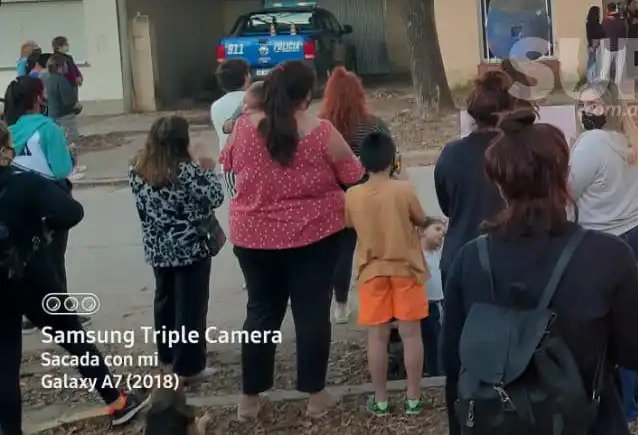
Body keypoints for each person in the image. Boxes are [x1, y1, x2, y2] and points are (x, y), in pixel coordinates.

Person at [441, 108, 638, 435]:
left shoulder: (468, 261)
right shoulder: (608, 257)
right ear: (563, 176)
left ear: (500, 184)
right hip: (588, 421)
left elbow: (453, 362)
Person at [219, 61, 365, 421]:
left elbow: (228, 164)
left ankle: (250, 399)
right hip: (314, 236)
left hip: (253, 237)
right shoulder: (322, 132)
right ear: (307, 94)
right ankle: (315, 396)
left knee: (261, 313)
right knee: (312, 313)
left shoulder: (242, 127)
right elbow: (354, 176)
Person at [0, 122, 150, 433]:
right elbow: (71, 211)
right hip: (33, 276)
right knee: (74, 338)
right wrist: (45, 226)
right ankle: (117, 402)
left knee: (5, 361)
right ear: (4, 150)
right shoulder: (24, 183)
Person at [568, 80, 638, 428]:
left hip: (601, 241)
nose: (587, 111)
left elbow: (568, 192)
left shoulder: (591, 144)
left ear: (610, 107)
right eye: (583, 105)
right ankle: (631, 404)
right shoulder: (630, 138)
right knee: (627, 321)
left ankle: (609, 404)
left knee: (599, 327)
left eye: (594, 105)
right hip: (634, 233)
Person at [129, 115, 224, 384]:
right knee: (190, 308)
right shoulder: (185, 170)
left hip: (158, 246)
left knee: (165, 301)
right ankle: (189, 366)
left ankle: (168, 354)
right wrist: (207, 168)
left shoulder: (137, 167)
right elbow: (214, 197)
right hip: (190, 246)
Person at [343, 130, 429, 415]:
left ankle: (380, 399)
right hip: (406, 268)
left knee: (377, 338)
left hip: (372, 271)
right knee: (411, 335)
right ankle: (413, 398)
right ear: (393, 160)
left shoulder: (353, 195)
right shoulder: (403, 190)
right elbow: (420, 219)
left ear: (362, 163)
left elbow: (349, 224)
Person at [3, 77, 85, 328]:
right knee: (54, 259)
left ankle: (29, 312)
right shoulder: (47, 128)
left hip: (14, 198)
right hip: (48, 197)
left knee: (24, 255)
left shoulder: (9, 129)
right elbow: (61, 169)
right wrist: (70, 155)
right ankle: (61, 313)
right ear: (38, 98)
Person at [318, 66, 390, 325]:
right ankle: (380, 298)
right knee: (375, 248)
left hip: (338, 199)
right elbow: (389, 159)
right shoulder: (375, 125)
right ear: (359, 94)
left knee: (342, 253)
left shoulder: (321, 127)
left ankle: (340, 305)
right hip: (372, 194)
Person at [434, 71, 518, 283]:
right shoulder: (519, 151)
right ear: (509, 109)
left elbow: (447, 206)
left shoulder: (451, 154)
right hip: (510, 260)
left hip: (459, 259)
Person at [212, 59, 252, 200]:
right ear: (247, 77)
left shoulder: (216, 106)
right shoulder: (254, 102)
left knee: (237, 208)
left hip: (229, 168)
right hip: (254, 167)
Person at [41, 55, 82, 179]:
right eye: (64, 65)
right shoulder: (61, 80)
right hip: (65, 115)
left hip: (53, 113)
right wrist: (75, 103)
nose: (66, 68)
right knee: (71, 141)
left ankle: (70, 167)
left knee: (61, 142)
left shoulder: (47, 78)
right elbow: (68, 100)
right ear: (59, 67)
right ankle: (73, 169)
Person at [419, 216, 446, 378]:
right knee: (424, 339)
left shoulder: (438, 255)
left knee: (435, 339)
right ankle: (427, 370)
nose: (441, 234)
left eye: (443, 232)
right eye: (437, 229)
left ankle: (435, 370)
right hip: (420, 304)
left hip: (436, 304)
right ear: (422, 231)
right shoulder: (417, 254)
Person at [600, 3, 628, 83]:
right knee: (620, 67)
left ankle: (603, 86)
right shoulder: (621, 19)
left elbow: (602, 32)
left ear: (608, 9)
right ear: (615, 9)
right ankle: (617, 86)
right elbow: (625, 32)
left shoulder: (605, 21)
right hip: (621, 46)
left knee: (605, 67)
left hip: (609, 46)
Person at [585, 6, 604, 82]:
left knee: (593, 63)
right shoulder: (593, 24)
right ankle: (591, 81)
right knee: (593, 63)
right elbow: (591, 35)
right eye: (598, 13)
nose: (599, 14)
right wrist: (592, 45)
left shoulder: (591, 23)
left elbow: (589, 35)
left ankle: (592, 80)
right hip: (594, 44)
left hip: (595, 44)